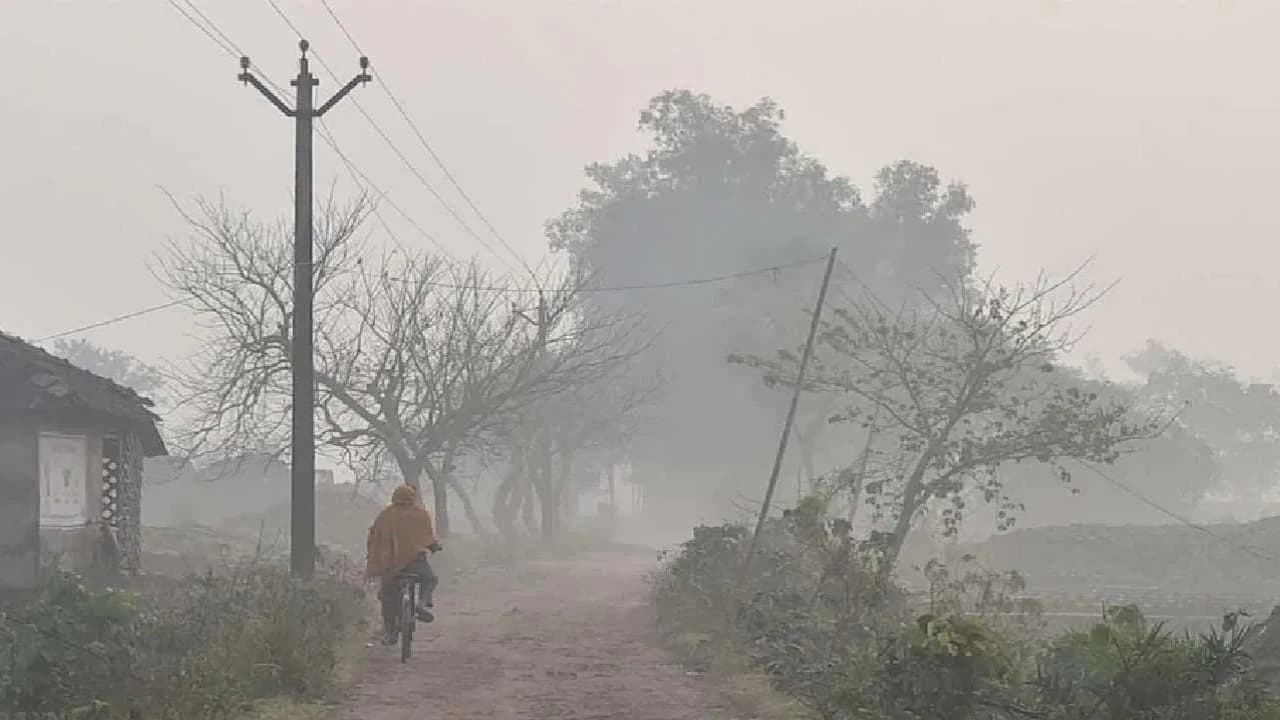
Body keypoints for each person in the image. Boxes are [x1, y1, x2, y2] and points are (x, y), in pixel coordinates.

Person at [365, 484, 442, 645]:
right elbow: (428, 538)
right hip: (415, 564)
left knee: (387, 595)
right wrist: (434, 547)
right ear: (412, 497)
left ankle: (390, 633)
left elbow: (374, 536)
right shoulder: (421, 515)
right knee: (430, 579)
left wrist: (374, 554)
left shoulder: (385, 515)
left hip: (391, 566)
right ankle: (421, 604)